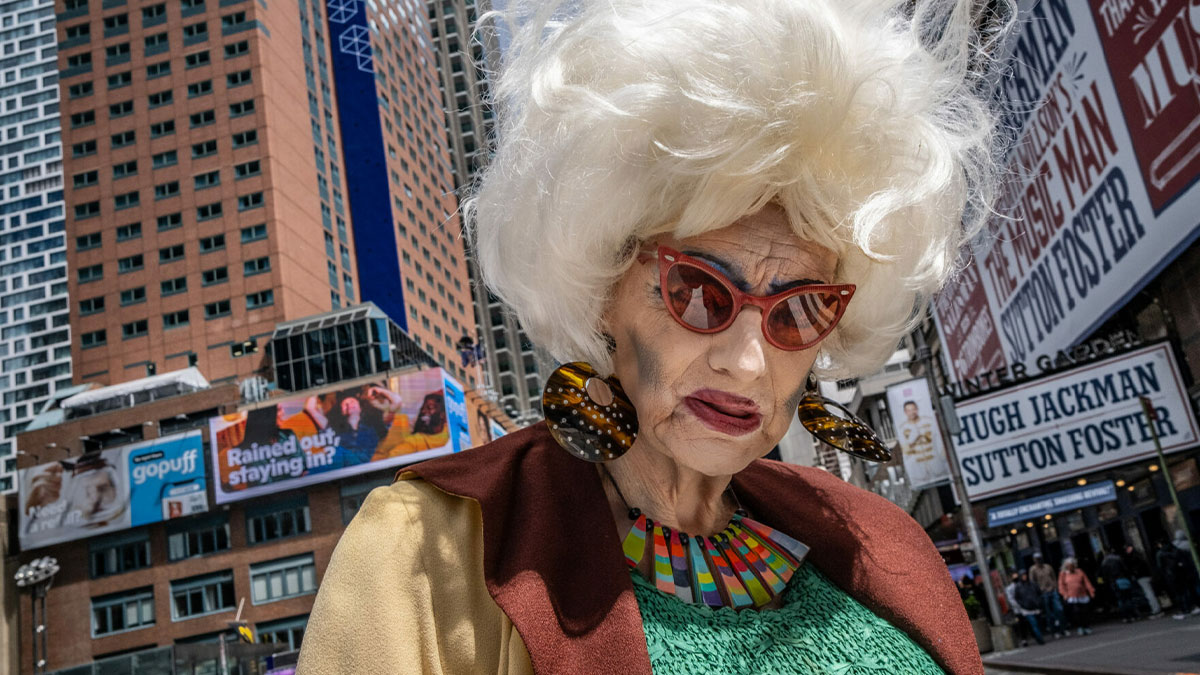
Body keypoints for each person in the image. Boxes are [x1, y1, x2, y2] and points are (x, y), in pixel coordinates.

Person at [296, 0, 1006, 673]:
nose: (748, 361)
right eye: (699, 292)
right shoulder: (424, 551)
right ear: (604, 287)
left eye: (798, 312)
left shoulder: (876, 535)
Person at [1156, 539, 1199, 619]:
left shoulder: (1161, 554)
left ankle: (1184, 610)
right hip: (1182, 574)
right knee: (1187, 591)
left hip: (1172, 576)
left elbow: (1161, 567)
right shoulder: (1176, 550)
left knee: (1179, 594)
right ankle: (1191, 607)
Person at [1029, 553, 1067, 637]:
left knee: (1059, 610)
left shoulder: (1048, 567)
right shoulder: (1033, 570)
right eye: (1037, 559)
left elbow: (1053, 577)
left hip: (1052, 591)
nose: (1039, 560)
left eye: (1039, 558)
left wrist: (1055, 587)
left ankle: (1063, 629)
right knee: (1049, 613)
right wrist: (1038, 592)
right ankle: (1054, 631)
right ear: (1034, 560)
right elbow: (1033, 583)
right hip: (1043, 593)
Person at [1005, 570, 1045, 647]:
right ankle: (1025, 639)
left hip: (1029, 608)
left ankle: (1036, 636)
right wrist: (1020, 606)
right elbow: (1013, 599)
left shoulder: (1029, 584)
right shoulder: (1011, 588)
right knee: (1022, 624)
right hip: (1020, 609)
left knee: (1032, 624)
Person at [1059, 557, 1096, 635]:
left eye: (1072, 565)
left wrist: (1091, 591)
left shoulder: (1079, 571)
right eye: (1069, 566)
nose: (1071, 567)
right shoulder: (1063, 574)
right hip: (1071, 596)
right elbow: (1061, 585)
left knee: (1085, 612)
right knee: (1076, 612)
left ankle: (1086, 626)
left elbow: (1086, 582)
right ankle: (1080, 627)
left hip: (1082, 595)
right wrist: (1064, 594)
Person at [1100, 548, 1137, 622]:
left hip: (1114, 581)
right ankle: (1133, 615)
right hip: (1123, 579)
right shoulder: (1118, 558)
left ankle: (1125, 616)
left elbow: (1104, 574)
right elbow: (1125, 569)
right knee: (1128, 598)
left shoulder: (1104, 562)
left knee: (1120, 599)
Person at [1123, 544, 1161, 616]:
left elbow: (1137, 567)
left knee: (1148, 593)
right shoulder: (1138, 555)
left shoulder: (1134, 557)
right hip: (1145, 575)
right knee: (1149, 592)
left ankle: (1155, 609)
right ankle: (1155, 608)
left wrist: (1134, 573)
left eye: (1127, 549)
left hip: (1142, 576)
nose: (1126, 551)